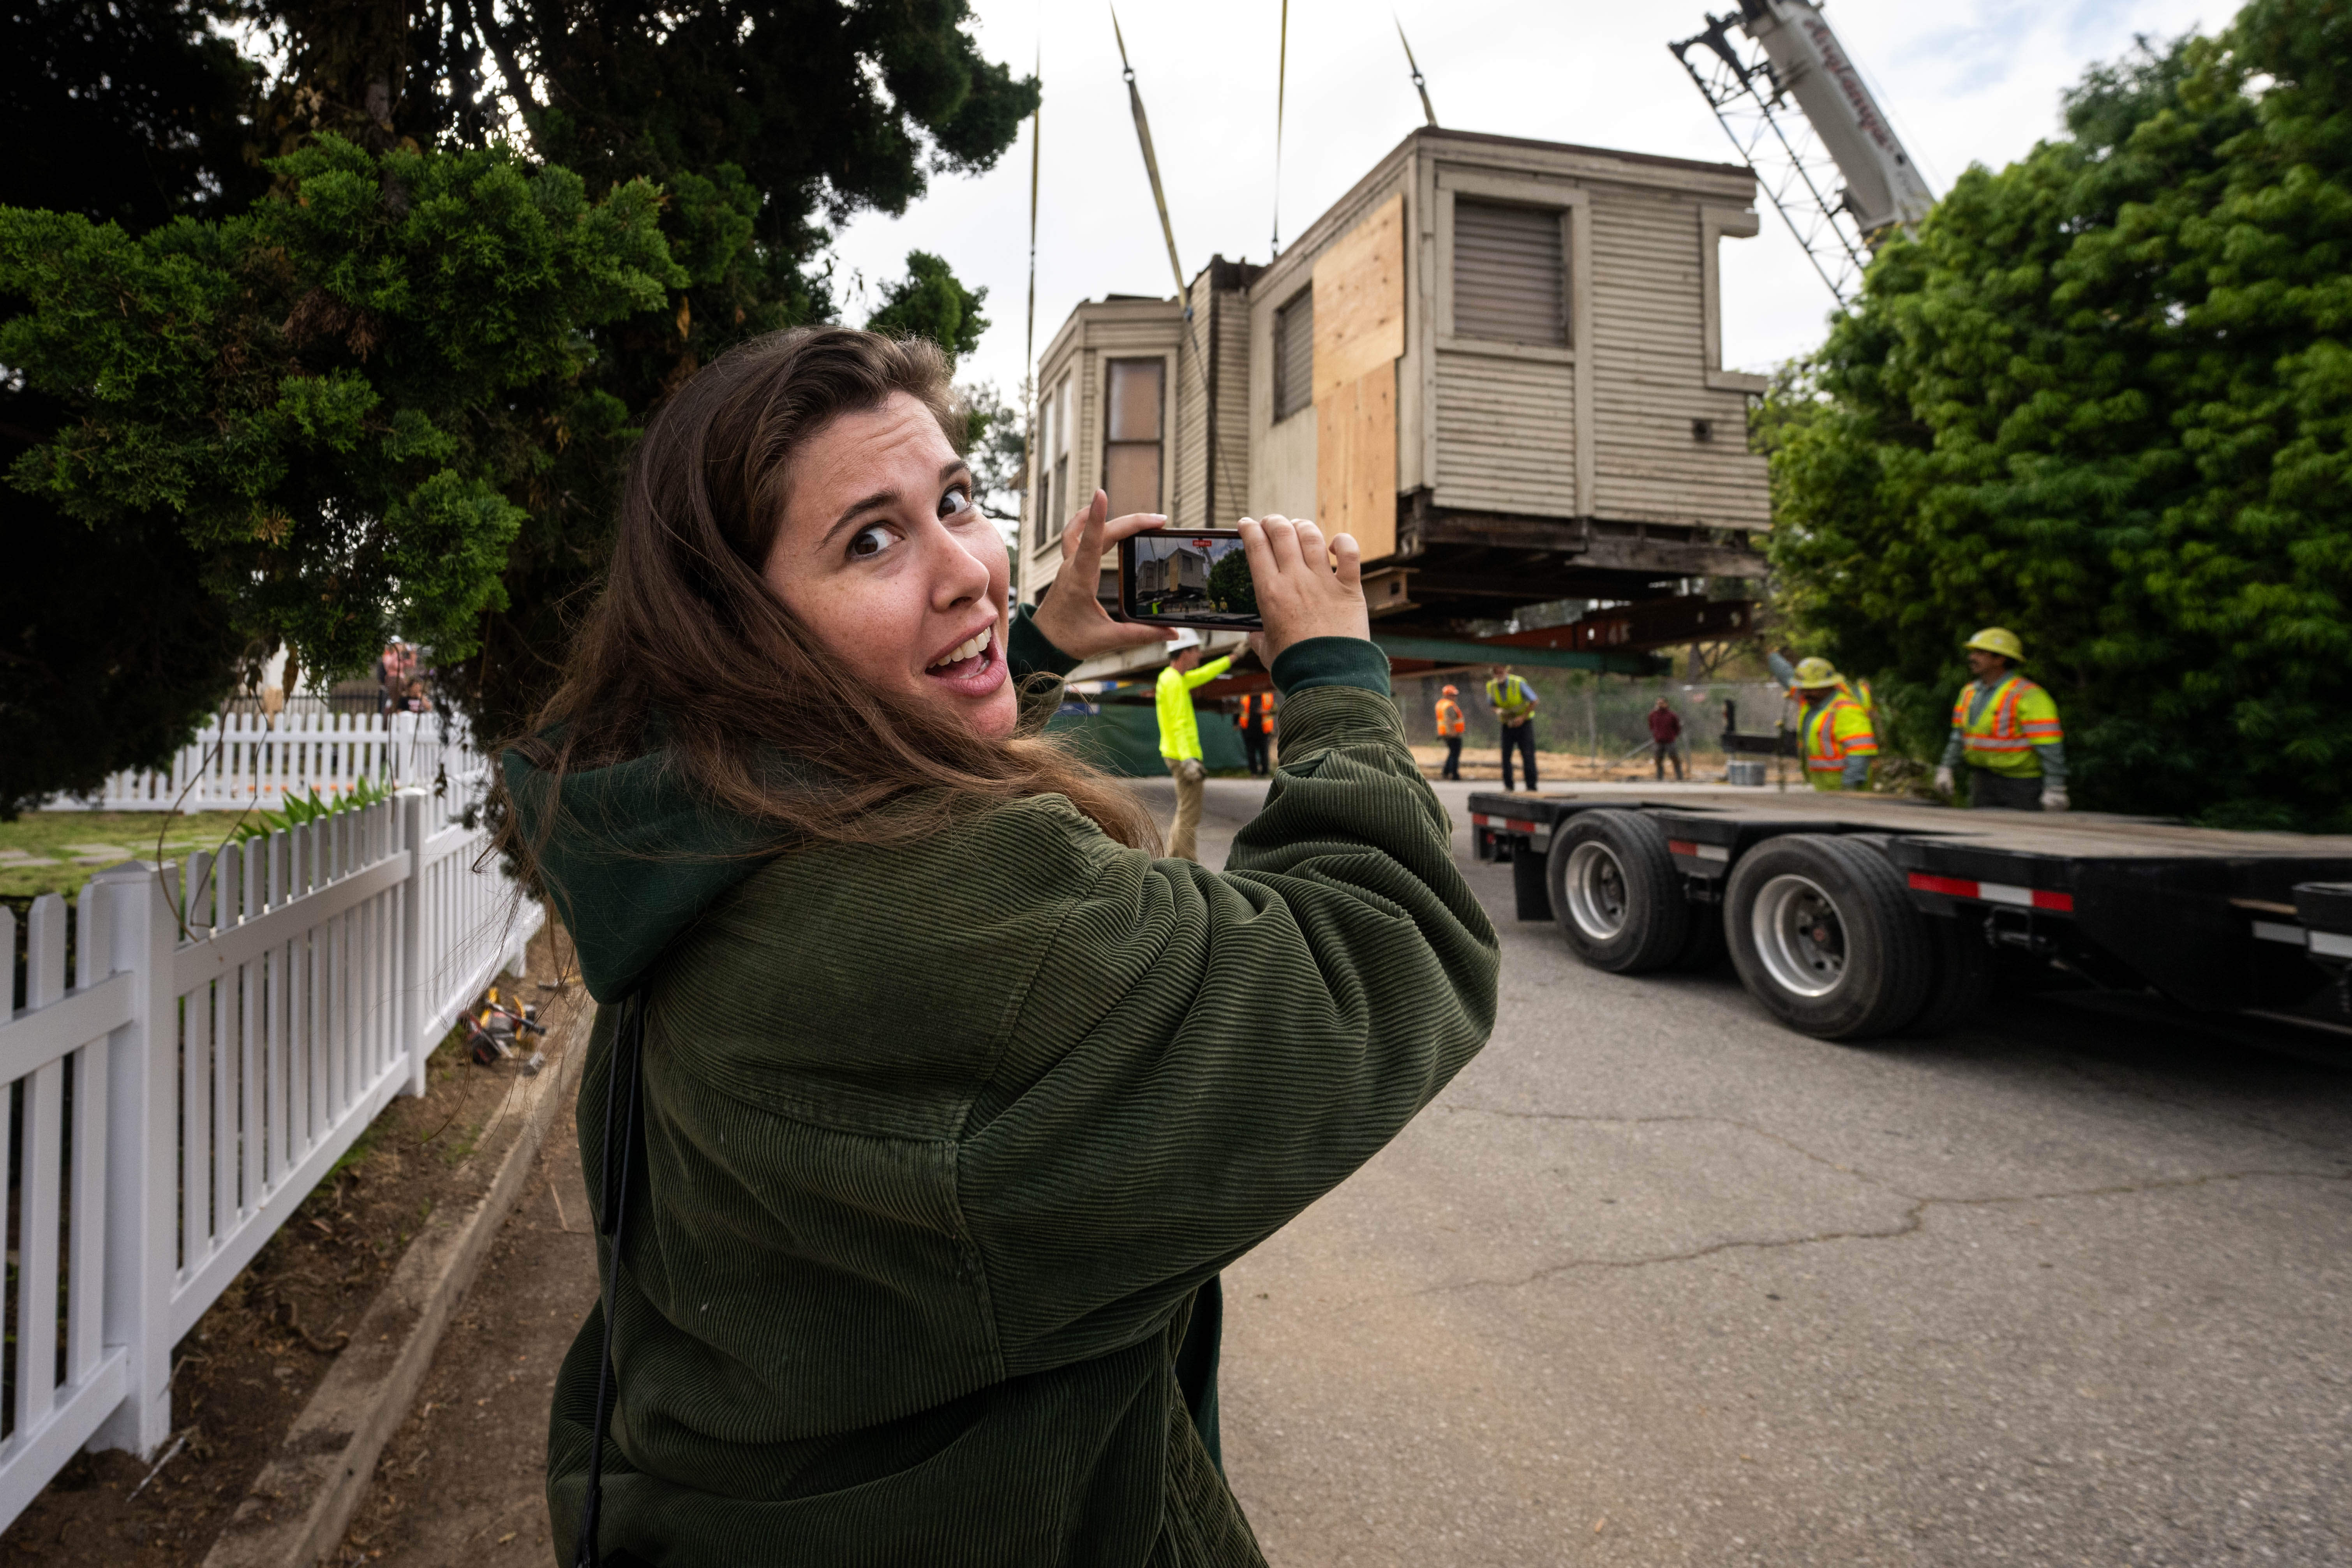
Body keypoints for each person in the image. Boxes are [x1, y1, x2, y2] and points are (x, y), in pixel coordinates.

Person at [498, 327, 1499, 1567]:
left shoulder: (697, 830)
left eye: (957, 500)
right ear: (738, 628)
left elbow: (859, 766)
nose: (969, 567)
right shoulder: (942, 898)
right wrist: (1336, 676)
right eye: (870, 537)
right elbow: (1379, 962)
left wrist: (1031, 643)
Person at [1934, 626, 2068, 811]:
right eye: (1973, 652)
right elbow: (1959, 736)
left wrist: (2055, 787)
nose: (1972, 658)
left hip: (2023, 784)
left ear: (2000, 659)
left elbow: (2049, 745)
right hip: (1983, 781)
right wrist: (1946, 768)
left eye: (1980, 653)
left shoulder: (2028, 695)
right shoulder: (1969, 692)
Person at [1156, 630, 1234, 860]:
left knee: (1185, 812)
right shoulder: (1174, 683)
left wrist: (1234, 657)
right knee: (1190, 815)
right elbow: (1180, 723)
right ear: (1185, 652)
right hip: (1183, 757)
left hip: (1177, 753)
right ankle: (1187, 866)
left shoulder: (1172, 678)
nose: (1200, 655)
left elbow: (1204, 674)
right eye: (1196, 650)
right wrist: (1189, 759)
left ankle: (1174, 858)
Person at [1791, 657, 1877, 791]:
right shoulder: (1813, 710)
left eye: (1812, 689)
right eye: (1804, 689)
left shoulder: (1845, 710)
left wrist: (1849, 788)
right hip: (1826, 791)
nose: (1806, 694)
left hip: (1847, 793)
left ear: (1829, 686)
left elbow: (1860, 752)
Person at [1484, 664, 1540, 791]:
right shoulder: (1491, 686)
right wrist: (1498, 711)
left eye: (1501, 671)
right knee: (1506, 756)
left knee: (1528, 755)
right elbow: (1491, 704)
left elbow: (1534, 700)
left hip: (1524, 724)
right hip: (1507, 724)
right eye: (1496, 672)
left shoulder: (1518, 683)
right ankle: (1509, 785)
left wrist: (1523, 718)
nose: (1499, 674)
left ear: (1506, 671)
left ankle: (1531, 786)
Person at [1236, 690, 1275, 777]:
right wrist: (1235, 722)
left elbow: (1274, 709)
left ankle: (1265, 772)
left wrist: (1267, 712)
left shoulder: (1267, 695)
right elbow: (1239, 709)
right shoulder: (1244, 695)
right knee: (1251, 752)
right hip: (1248, 729)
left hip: (1263, 729)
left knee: (1264, 751)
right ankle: (1254, 773)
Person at [1647, 697, 1684, 781]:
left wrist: (1673, 735)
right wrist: (1657, 735)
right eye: (1659, 703)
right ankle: (1660, 778)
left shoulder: (1672, 715)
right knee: (1658, 760)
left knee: (1674, 758)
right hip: (1658, 741)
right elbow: (1651, 726)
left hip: (1670, 741)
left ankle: (1680, 777)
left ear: (1666, 704)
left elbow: (1677, 728)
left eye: (1662, 703)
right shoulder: (1653, 715)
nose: (1660, 705)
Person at [1434, 684, 1465, 780]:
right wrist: (1453, 732)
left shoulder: (1441, 704)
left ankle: (1446, 772)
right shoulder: (1449, 705)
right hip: (1452, 734)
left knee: (1452, 753)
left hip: (1445, 733)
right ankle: (1454, 774)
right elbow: (1449, 720)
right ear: (1447, 695)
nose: (1455, 697)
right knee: (1455, 754)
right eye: (1453, 695)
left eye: (1455, 695)